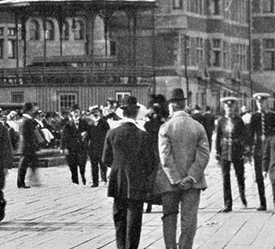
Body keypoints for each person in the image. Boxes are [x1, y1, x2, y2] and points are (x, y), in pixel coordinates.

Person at [158, 89, 210, 249]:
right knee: (189, 220)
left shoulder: (165, 128)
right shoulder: (198, 126)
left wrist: (176, 179)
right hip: (193, 184)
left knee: (169, 218)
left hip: (169, 183)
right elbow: (204, 154)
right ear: (184, 104)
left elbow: (165, 157)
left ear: (172, 106)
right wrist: (191, 177)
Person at [103, 95, 152, 249]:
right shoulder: (143, 135)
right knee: (134, 221)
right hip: (136, 182)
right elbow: (150, 163)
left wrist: (118, 166)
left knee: (119, 219)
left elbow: (105, 159)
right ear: (136, 113)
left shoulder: (112, 133)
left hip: (117, 182)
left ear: (122, 113)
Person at [214, 97, 251, 211]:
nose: (229, 109)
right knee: (226, 178)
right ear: (224, 108)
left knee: (240, 176)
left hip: (237, 151)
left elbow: (245, 136)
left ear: (235, 108)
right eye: (227, 107)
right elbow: (218, 137)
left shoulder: (239, 121)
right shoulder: (221, 121)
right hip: (225, 151)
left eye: (231, 107)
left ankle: (243, 198)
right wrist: (218, 152)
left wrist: (245, 151)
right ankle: (227, 203)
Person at [247, 92, 275, 210]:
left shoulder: (273, 116)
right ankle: (262, 203)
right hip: (259, 150)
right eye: (258, 102)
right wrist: (249, 151)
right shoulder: (254, 117)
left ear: (267, 102)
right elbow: (250, 134)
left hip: (271, 150)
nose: (260, 104)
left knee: (274, 175)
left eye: (262, 102)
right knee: (259, 177)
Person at [14, 102, 42, 188]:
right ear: (29, 111)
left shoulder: (27, 120)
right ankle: (21, 182)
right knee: (23, 165)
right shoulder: (26, 121)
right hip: (26, 147)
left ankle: (30, 179)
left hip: (28, 146)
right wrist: (32, 145)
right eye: (32, 109)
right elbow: (25, 136)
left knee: (32, 163)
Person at [62, 110, 87, 185]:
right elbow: (64, 137)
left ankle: (83, 176)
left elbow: (89, 132)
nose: (76, 114)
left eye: (77, 112)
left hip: (81, 147)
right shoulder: (68, 124)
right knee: (72, 164)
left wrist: (86, 134)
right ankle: (75, 180)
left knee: (82, 163)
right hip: (71, 147)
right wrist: (63, 148)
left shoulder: (84, 123)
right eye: (74, 112)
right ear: (71, 113)